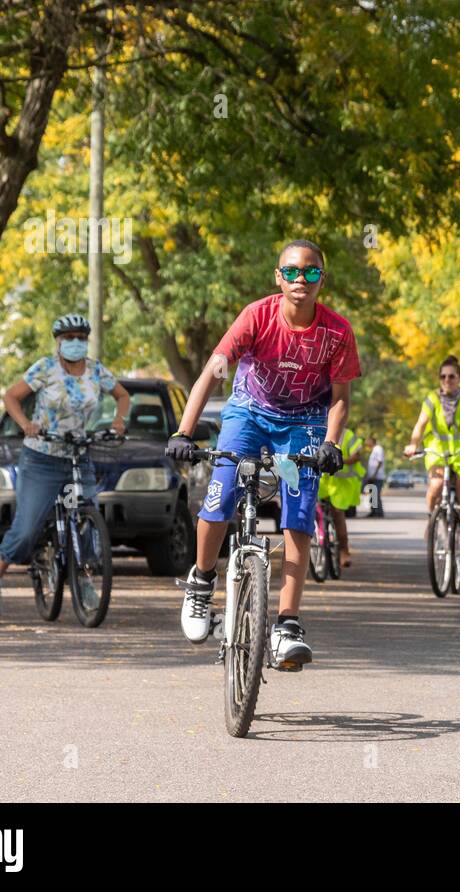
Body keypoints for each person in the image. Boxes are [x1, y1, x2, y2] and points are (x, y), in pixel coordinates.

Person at [165, 239, 359, 670]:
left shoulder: (338, 332)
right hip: (248, 412)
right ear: (278, 276)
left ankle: (287, 624)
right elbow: (210, 375)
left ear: (321, 280)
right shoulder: (256, 316)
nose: (300, 280)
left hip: (305, 420)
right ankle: (201, 583)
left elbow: (341, 398)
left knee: (299, 511)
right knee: (221, 493)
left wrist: (331, 443)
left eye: (310, 272)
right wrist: (183, 431)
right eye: (291, 271)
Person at [0, 314, 130, 618]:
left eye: (80, 337)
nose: (75, 343)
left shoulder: (95, 370)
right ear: (58, 342)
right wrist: (26, 424)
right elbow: (11, 397)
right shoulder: (45, 368)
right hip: (41, 458)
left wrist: (119, 419)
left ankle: (86, 580)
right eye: (69, 338)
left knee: (88, 521)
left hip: (79, 454)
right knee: (26, 529)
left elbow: (122, 395)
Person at [403, 355, 460, 583]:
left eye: (452, 376)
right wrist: (413, 443)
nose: (447, 380)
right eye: (443, 376)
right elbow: (420, 425)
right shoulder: (432, 399)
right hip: (439, 455)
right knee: (434, 486)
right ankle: (433, 519)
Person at [317, 426, 365, 566]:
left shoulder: (348, 434)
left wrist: (338, 461)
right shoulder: (317, 427)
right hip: (322, 480)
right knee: (314, 511)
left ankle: (344, 551)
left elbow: (357, 456)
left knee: (337, 514)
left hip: (341, 482)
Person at [365, 435, 386, 517]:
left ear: (372, 441)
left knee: (376, 494)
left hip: (377, 477)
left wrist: (374, 474)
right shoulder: (374, 450)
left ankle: (379, 512)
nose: (366, 443)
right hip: (373, 477)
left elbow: (380, 462)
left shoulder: (378, 449)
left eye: (368, 441)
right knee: (373, 494)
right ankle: (373, 511)